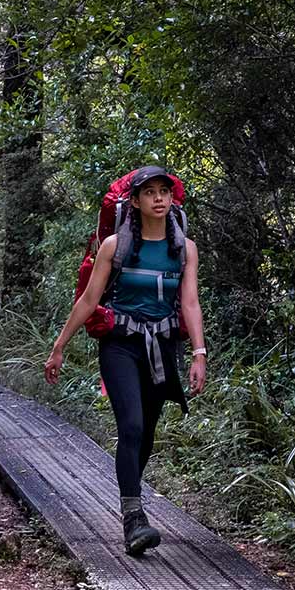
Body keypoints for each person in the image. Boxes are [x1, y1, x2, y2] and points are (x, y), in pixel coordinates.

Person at [44, 166, 207, 555]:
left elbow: (189, 302)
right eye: (149, 192)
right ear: (134, 201)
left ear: (173, 199)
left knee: (147, 431)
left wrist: (199, 354)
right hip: (120, 344)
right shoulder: (115, 246)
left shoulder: (184, 248)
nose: (158, 198)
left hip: (163, 346)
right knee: (131, 425)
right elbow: (88, 300)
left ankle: (132, 499)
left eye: (164, 192)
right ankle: (133, 518)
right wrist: (58, 347)